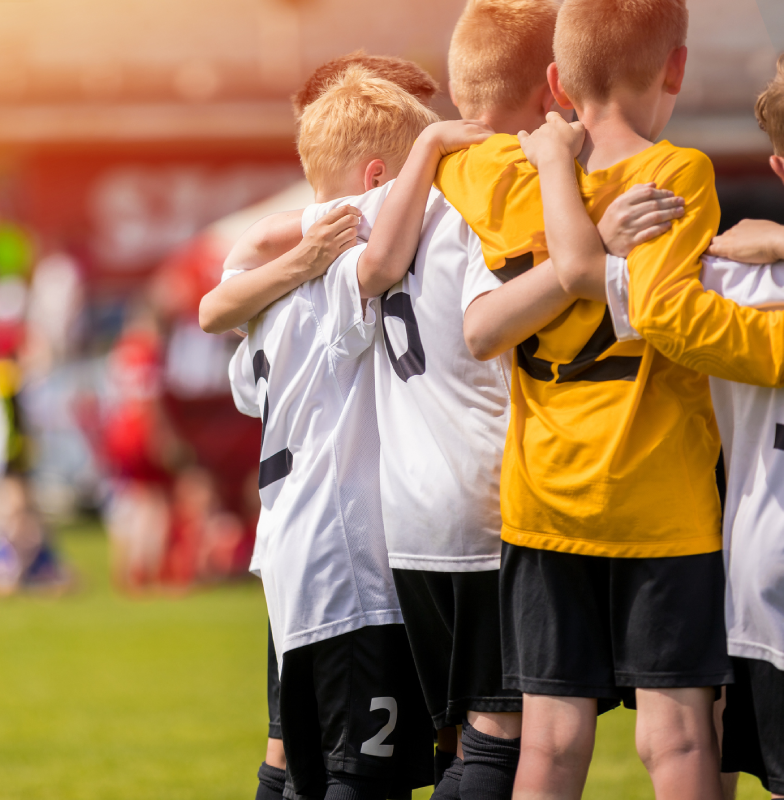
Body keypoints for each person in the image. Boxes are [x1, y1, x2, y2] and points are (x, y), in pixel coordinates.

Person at [202, 5, 681, 796]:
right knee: (478, 740)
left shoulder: (332, 238)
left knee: (306, 752)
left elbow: (236, 284)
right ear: (553, 89)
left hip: (355, 532)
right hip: (428, 525)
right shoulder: (458, 204)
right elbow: (463, 300)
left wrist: (419, 156)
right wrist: (590, 240)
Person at [432, 0, 784, 796]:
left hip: (545, 498)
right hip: (661, 498)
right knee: (681, 739)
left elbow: (466, 163)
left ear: (556, 81)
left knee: (550, 748)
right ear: (677, 67)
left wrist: (440, 144)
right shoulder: (675, 172)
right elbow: (670, 315)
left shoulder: (506, 175)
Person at [227, 65, 491, 800]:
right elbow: (375, 266)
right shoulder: (331, 275)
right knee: (364, 775)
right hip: (350, 568)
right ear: (377, 179)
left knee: (292, 762)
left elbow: (243, 379)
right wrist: (436, 145)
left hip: (288, 560)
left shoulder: (267, 284)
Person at [594, 55, 784, 800]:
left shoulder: (718, 276)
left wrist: (607, 236)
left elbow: (596, 301)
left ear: (776, 164)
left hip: (760, 570)